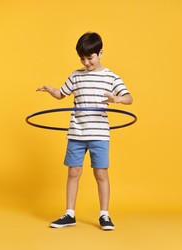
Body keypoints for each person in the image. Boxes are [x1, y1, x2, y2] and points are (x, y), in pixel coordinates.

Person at [36, 32, 133, 231]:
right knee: (74, 172)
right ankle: (69, 214)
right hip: (77, 134)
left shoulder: (111, 77)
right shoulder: (75, 76)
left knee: (101, 174)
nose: (86, 62)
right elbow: (61, 95)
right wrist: (51, 90)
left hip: (99, 135)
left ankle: (104, 215)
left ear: (100, 53)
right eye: (82, 58)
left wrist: (118, 99)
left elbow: (129, 98)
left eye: (90, 57)